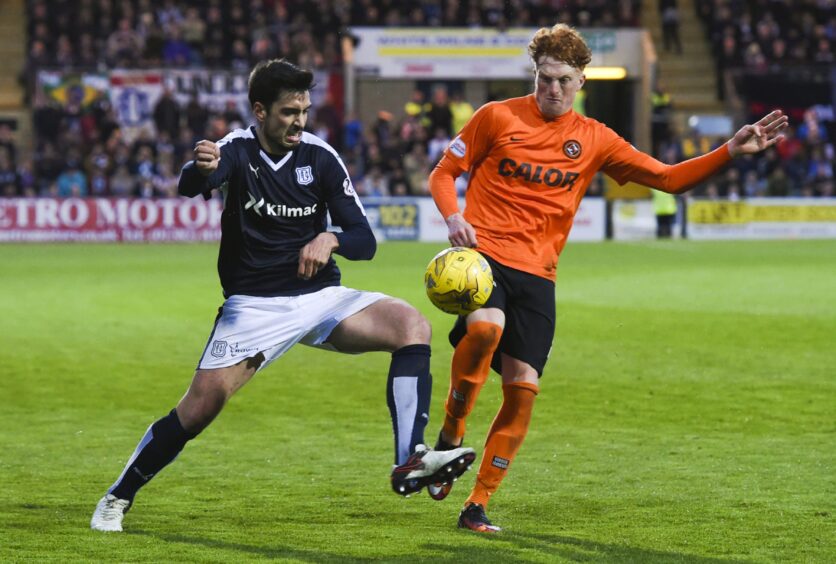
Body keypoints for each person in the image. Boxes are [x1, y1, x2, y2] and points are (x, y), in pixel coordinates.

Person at [425, 23, 787, 533]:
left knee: (522, 392)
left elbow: (667, 179)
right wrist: (453, 216)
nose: (552, 89)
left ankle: (478, 503)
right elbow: (443, 173)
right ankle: (449, 438)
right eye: (545, 78)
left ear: (581, 83)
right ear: (535, 74)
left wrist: (729, 150)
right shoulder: (495, 116)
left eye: (563, 81)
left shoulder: (595, 139)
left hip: (539, 277)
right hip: (485, 259)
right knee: (485, 328)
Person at [90, 59, 475, 533]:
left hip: (321, 299)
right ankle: (117, 496)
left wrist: (330, 238)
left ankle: (410, 459)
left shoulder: (321, 157)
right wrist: (198, 167)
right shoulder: (236, 149)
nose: (299, 121)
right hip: (254, 306)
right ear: (260, 111)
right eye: (289, 111)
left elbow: (365, 240)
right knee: (199, 409)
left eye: (304, 110)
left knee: (411, 325)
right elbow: (195, 184)